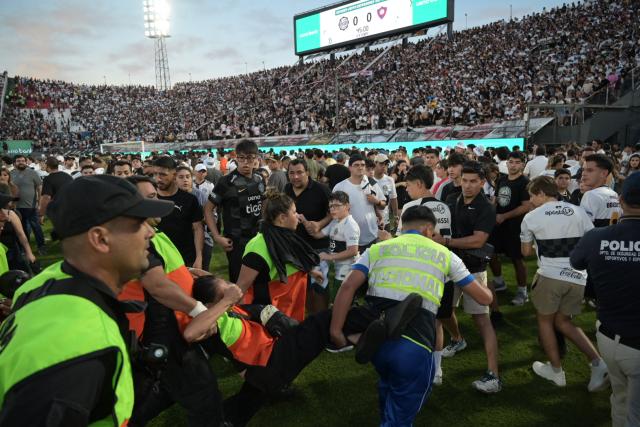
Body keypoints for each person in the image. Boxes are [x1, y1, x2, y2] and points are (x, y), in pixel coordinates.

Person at [0, 175, 173, 426]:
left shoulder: (45, 281)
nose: (150, 232)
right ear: (100, 239)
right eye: (138, 223)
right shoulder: (80, 343)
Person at [330, 206, 493, 425]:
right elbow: (483, 298)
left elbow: (348, 286)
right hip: (416, 342)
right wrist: (489, 291)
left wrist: (336, 331)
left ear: (403, 227)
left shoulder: (378, 248)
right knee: (403, 410)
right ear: (428, 229)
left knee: (387, 383)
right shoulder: (446, 255)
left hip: (377, 337)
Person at [119, 175, 224, 427]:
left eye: (154, 195)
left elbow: (165, 273)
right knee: (203, 397)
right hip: (162, 333)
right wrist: (199, 310)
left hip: (167, 329)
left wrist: (187, 272)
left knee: (158, 391)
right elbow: (156, 285)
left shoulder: (153, 232)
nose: (156, 202)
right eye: (148, 198)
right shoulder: (136, 238)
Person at [520, 176, 609, 390]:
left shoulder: (532, 216)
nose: (531, 200)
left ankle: (556, 371)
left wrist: (540, 246)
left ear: (541, 193)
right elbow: (591, 240)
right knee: (564, 322)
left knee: (545, 321)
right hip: (578, 276)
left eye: (532, 195)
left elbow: (525, 252)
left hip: (550, 276)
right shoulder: (577, 210)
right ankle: (598, 363)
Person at [570, 172, 640, 427]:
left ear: (621, 200)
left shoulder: (596, 237)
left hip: (609, 337)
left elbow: (576, 261)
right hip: (629, 339)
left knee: (620, 399)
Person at [433, 161, 501, 393]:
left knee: (482, 320)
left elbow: (478, 240)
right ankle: (457, 339)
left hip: (473, 269)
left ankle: (494, 375)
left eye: (473, 181)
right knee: (443, 312)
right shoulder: (453, 199)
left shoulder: (486, 207)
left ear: (482, 183)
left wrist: (447, 242)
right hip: (450, 267)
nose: (468, 185)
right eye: (465, 180)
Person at [236, 191, 319, 322]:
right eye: (294, 212)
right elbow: (241, 287)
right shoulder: (257, 246)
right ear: (282, 218)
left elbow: (292, 261)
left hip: (290, 313)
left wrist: (311, 271)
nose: (297, 216)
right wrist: (239, 319)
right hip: (270, 319)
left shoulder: (287, 236)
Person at [204, 140, 265, 282]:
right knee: (239, 285)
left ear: (256, 158)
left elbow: (264, 204)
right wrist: (217, 236)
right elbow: (208, 209)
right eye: (241, 158)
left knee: (260, 281)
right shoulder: (225, 182)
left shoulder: (259, 179)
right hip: (236, 243)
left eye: (250, 158)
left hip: (258, 239)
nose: (245, 162)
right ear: (236, 158)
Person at [284, 159, 332, 313]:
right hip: (294, 247)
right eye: (292, 173)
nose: (295, 177)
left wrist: (319, 224)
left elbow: (333, 212)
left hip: (317, 247)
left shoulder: (321, 189)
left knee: (318, 286)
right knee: (302, 287)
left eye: (299, 172)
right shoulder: (286, 189)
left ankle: (322, 320)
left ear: (308, 173)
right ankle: (311, 320)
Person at [489, 151, 531, 307]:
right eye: (511, 162)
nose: (513, 165)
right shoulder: (502, 179)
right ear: (506, 163)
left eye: (517, 162)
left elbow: (526, 206)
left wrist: (504, 216)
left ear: (522, 164)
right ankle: (499, 282)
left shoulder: (524, 182)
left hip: (515, 226)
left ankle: (522, 291)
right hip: (498, 224)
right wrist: (492, 208)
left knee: (517, 259)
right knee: (491, 253)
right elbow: (497, 198)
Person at [154, 156, 204, 269]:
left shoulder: (189, 200)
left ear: (174, 174)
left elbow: (197, 229)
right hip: (157, 260)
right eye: (155, 174)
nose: (158, 178)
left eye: (163, 174)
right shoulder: (150, 199)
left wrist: (199, 257)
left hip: (185, 258)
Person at [308, 191, 359, 299]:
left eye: (336, 206)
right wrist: (303, 220)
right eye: (331, 206)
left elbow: (353, 251)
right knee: (335, 299)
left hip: (346, 270)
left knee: (341, 301)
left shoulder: (350, 225)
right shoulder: (335, 221)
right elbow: (317, 235)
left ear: (347, 206)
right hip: (336, 268)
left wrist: (329, 256)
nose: (332, 209)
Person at [334, 154, 386, 253]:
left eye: (362, 165)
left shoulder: (371, 184)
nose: (360, 167)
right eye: (356, 165)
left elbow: (383, 205)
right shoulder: (340, 187)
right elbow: (333, 212)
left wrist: (377, 201)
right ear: (350, 168)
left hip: (371, 235)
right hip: (349, 237)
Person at [10, 155, 45, 254]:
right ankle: (25, 249)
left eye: (23, 161)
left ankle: (41, 246)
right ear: (14, 163)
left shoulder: (32, 173)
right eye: (18, 161)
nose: (21, 162)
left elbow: (39, 187)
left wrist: (39, 201)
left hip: (31, 206)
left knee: (36, 227)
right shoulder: (11, 174)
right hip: (16, 206)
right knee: (22, 229)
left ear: (26, 162)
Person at [38, 157, 72, 224]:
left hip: (59, 210)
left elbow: (46, 197)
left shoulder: (48, 179)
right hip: (71, 208)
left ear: (48, 166)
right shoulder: (67, 176)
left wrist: (41, 213)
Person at [373, 154, 399, 231]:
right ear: (375, 164)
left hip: (385, 219)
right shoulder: (368, 179)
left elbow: (393, 198)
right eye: (381, 164)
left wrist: (395, 216)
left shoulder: (389, 180)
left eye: (386, 164)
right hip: (371, 220)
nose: (384, 166)